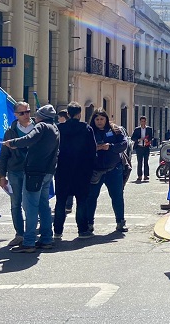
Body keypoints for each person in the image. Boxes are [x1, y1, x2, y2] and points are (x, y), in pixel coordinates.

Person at [2, 104, 60, 253]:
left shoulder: (40, 127)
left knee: (31, 207)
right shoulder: (54, 128)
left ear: (41, 117)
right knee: (43, 206)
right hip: (47, 172)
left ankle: (28, 242)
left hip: (35, 172)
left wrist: (13, 143)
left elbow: (29, 138)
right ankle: (47, 239)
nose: (32, 115)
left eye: (34, 113)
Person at [53, 102, 96, 240]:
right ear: (79, 114)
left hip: (62, 171)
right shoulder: (86, 129)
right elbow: (92, 151)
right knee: (81, 201)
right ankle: (82, 230)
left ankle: (58, 231)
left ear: (68, 114)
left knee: (60, 202)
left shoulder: (59, 128)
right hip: (82, 171)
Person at [84, 108, 129, 236]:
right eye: (97, 119)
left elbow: (124, 144)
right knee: (91, 198)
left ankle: (120, 222)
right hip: (95, 171)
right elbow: (84, 148)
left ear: (106, 119)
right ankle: (89, 223)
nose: (99, 122)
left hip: (113, 169)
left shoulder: (115, 130)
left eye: (102, 119)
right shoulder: (89, 131)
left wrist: (110, 147)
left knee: (117, 197)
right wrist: (95, 148)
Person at [0, 102, 35, 247]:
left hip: (32, 171)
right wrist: (2, 176)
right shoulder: (10, 131)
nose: (26, 115)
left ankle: (31, 234)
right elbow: (4, 155)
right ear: (15, 115)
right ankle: (19, 234)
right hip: (14, 172)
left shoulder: (37, 128)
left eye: (28, 112)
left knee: (31, 204)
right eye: (22, 113)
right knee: (15, 204)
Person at [130, 116, 153, 182]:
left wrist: (148, 140)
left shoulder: (149, 129)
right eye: (142, 121)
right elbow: (132, 138)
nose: (143, 123)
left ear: (146, 121)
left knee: (146, 161)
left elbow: (151, 137)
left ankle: (146, 175)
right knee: (139, 162)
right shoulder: (137, 129)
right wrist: (138, 139)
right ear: (140, 122)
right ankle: (139, 176)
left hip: (146, 147)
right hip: (139, 147)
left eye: (144, 121)